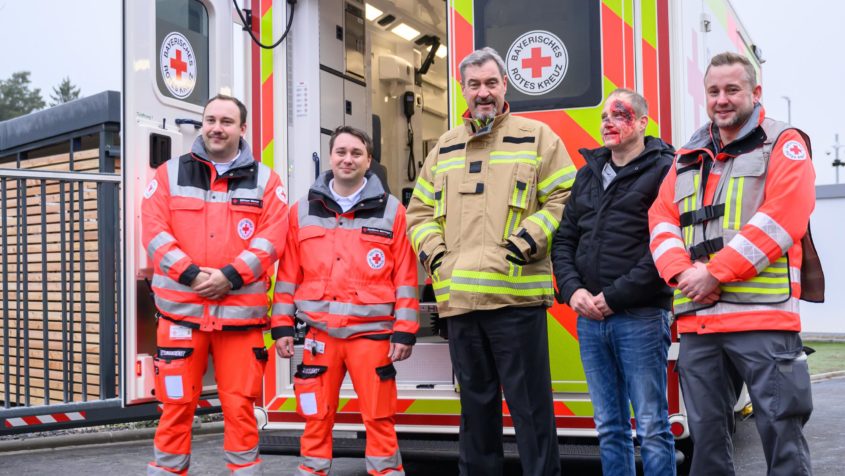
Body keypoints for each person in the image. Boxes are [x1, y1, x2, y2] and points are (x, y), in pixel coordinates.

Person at [406, 47, 575, 476]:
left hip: (515, 304)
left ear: (505, 86)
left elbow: (566, 198)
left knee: (532, 414)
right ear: (463, 89)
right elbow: (419, 213)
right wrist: (439, 260)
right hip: (461, 304)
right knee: (476, 415)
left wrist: (523, 244)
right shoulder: (444, 147)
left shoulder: (538, 137)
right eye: (475, 84)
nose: (483, 92)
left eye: (491, 83)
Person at [649, 51, 816, 475]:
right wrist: (681, 272)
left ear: (755, 92)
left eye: (732, 89)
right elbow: (661, 217)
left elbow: (784, 217)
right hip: (699, 325)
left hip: (763, 322)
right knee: (706, 445)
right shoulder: (687, 154)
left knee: (783, 440)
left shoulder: (784, 141)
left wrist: (714, 272)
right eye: (713, 91)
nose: (722, 99)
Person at [142, 94, 288, 475]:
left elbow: (272, 238)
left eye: (226, 121)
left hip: (240, 323)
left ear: (242, 129)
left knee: (241, 409)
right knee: (174, 407)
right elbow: (154, 233)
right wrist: (193, 276)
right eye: (210, 120)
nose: (216, 128)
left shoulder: (267, 181)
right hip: (181, 316)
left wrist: (230, 277)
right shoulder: (169, 174)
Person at [271, 126, 419, 476]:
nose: (347, 159)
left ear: (369, 161)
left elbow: (406, 279)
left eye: (356, 153)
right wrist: (281, 326)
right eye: (341, 152)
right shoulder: (302, 210)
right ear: (331, 156)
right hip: (319, 336)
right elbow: (288, 273)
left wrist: (405, 330)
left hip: (371, 336)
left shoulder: (393, 211)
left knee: (379, 418)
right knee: (316, 417)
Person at [551, 88, 676, 476]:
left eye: (620, 115)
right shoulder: (588, 175)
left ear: (642, 123)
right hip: (590, 319)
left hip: (639, 316)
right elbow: (565, 239)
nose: (608, 122)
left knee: (653, 427)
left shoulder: (665, 171)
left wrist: (614, 297)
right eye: (605, 116)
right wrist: (573, 292)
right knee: (609, 427)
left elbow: (665, 246)